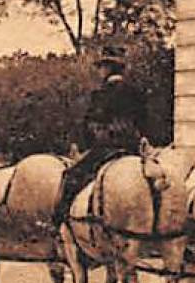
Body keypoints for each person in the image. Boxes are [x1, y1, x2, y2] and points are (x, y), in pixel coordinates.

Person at [52, 45, 149, 228]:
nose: (100, 71)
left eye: (102, 67)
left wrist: (85, 144)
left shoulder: (101, 94)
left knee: (71, 176)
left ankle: (62, 222)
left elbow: (91, 123)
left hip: (107, 148)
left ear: (108, 68)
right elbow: (144, 122)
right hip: (132, 149)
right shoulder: (136, 92)